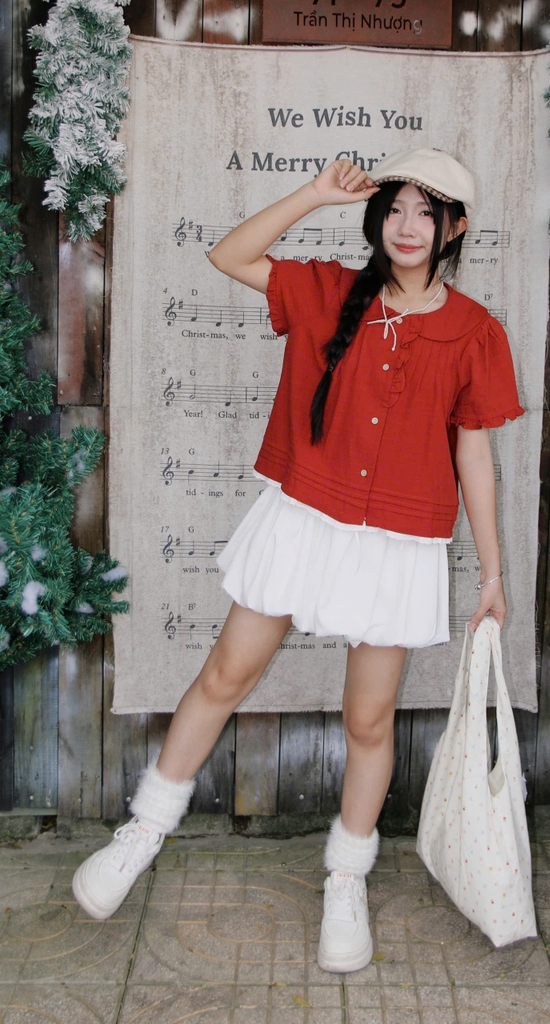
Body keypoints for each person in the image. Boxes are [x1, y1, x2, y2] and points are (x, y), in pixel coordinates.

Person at [72, 147, 524, 973]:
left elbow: (474, 457)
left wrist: (492, 576)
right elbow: (230, 255)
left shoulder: (474, 332)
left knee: (368, 721)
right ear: (376, 218)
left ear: (455, 228)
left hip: (398, 543)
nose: (408, 226)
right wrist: (313, 194)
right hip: (304, 518)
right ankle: (142, 833)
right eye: (394, 208)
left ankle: (345, 879)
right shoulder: (324, 291)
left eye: (427, 213)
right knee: (225, 675)